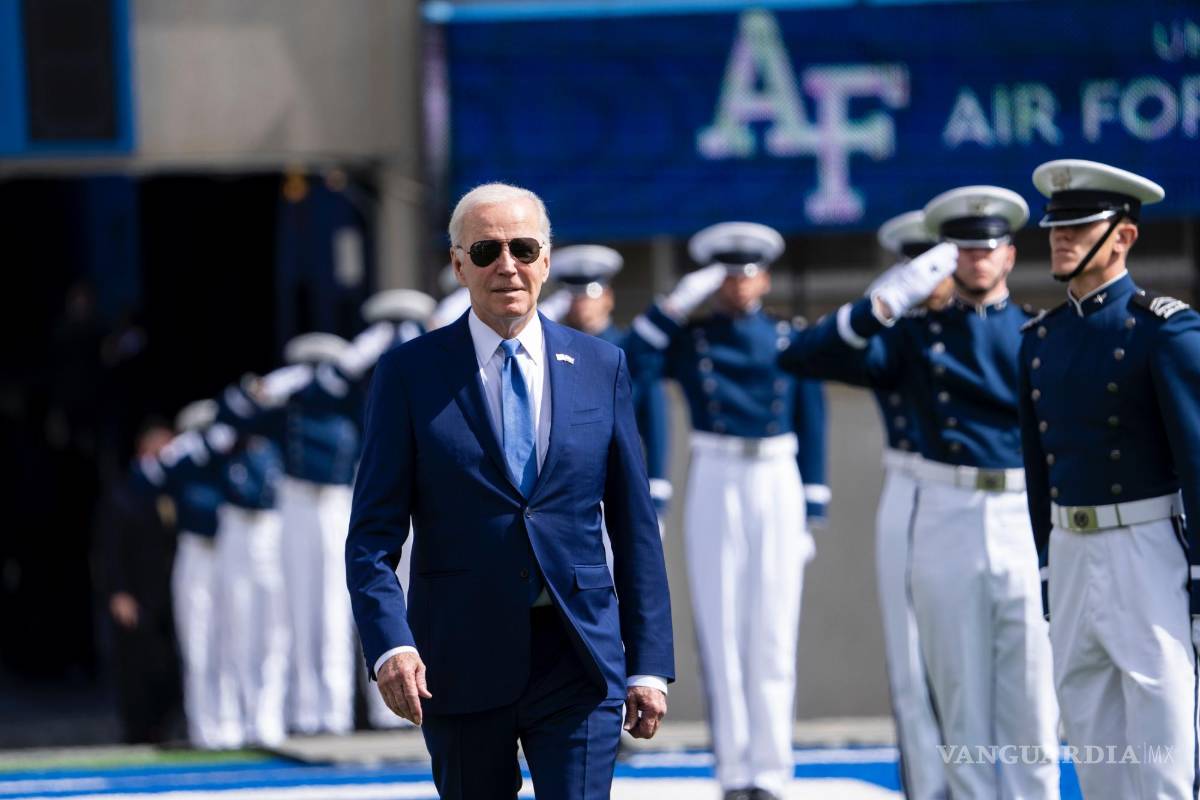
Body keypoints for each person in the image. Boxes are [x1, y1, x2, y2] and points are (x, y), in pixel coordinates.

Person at [346, 182, 674, 800]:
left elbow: (634, 530)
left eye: (523, 248)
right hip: (459, 661)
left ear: (546, 260)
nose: (508, 265)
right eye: (487, 250)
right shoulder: (410, 374)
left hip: (578, 657)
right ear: (458, 264)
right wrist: (391, 645)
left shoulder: (603, 367)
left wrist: (649, 663)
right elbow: (371, 539)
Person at [780, 188, 1060, 798]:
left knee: (1033, 704)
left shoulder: (1040, 332)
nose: (976, 260)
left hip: (1021, 513)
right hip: (945, 511)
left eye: (987, 249)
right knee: (957, 701)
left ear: (1009, 256)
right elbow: (803, 357)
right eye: (962, 250)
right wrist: (884, 303)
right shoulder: (914, 336)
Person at [625, 222, 827, 800]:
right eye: (727, 275)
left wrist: (813, 506)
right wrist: (675, 304)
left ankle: (771, 770)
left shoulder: (788, 336)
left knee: (772, 632)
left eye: (748, 273)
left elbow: (813, 419)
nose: (739, 285)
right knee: (720, 629)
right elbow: (634, 358)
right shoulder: (692, 339)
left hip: (775, 475)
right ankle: (734, 771)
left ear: (764, 277)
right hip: (715, 473)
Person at [1020, 159, 1200, 799]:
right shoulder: (1040, 338)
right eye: (1055, 226)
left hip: (1146, 549)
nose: (1061, 238)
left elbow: (1198, 460)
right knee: (1092, 739)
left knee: (1163, 746)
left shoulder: (1164, 329)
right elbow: (1039, 464)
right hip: (1071, 551)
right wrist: (1046, 561)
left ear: (1122, 237)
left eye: (1080, 226)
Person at [136, 400, 241, 749]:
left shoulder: (227, 446)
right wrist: (179, 449)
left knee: (230, 639)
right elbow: (144, 479)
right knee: (197, 642)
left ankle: (231, 721)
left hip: (228, 548)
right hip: (194, 552)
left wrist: (212, 443)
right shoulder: (181, 458)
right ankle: (203, 726)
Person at [554, 244, 672, 522]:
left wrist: (656, 486)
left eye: (590, 293)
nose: (581, 303)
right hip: (564, 487)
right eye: (573, 295)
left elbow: (654, 420)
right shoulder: (549, 351)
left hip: (619, 480)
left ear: (607, 298)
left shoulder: (631, 350)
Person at [94, 419, 181, 743]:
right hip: (135, 596)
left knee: (167, 670)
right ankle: (138, 734)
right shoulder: (124, 494)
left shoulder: (174, 488)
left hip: (167, 598)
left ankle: (161, 729)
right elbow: (108, 549)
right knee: (135, 673)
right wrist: (117, 592)